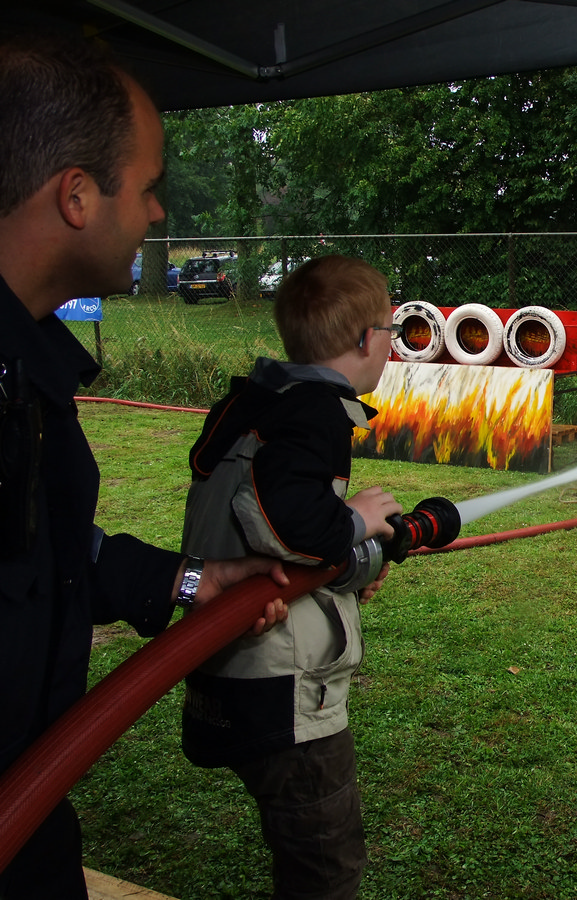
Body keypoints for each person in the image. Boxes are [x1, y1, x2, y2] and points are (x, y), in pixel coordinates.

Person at [0, 32, 289, 899]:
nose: (158, 213)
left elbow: (40, 555)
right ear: (77, 196)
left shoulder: (24, 369)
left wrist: (191, 580)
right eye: (147, 186)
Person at [179, 255, 407, 900]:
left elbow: (257, 519)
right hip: (282, 685)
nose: (391, 344)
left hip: (222, 661)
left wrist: (346, 566)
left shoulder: (259, 401)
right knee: (325, 867)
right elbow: (286, 523)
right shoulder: (314, 412)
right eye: (390, 331)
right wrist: (357, 521)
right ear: (364, 339)